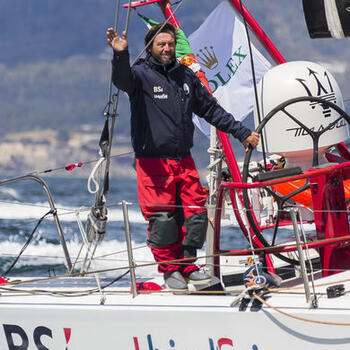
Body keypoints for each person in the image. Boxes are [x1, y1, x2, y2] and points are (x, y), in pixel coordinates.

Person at [106, 23, 259, 290]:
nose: (166, 48)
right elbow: (121, 81)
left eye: (170, 44)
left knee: (195, 213)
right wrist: (121, 54)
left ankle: (188, 266)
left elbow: (212, 111)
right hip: (154, 162)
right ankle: (170, 270)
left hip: (183, 158)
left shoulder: (185, 76)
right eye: (161, 44)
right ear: (151, 47)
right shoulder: (140, 75)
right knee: (164, 218)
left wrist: (241, 132)